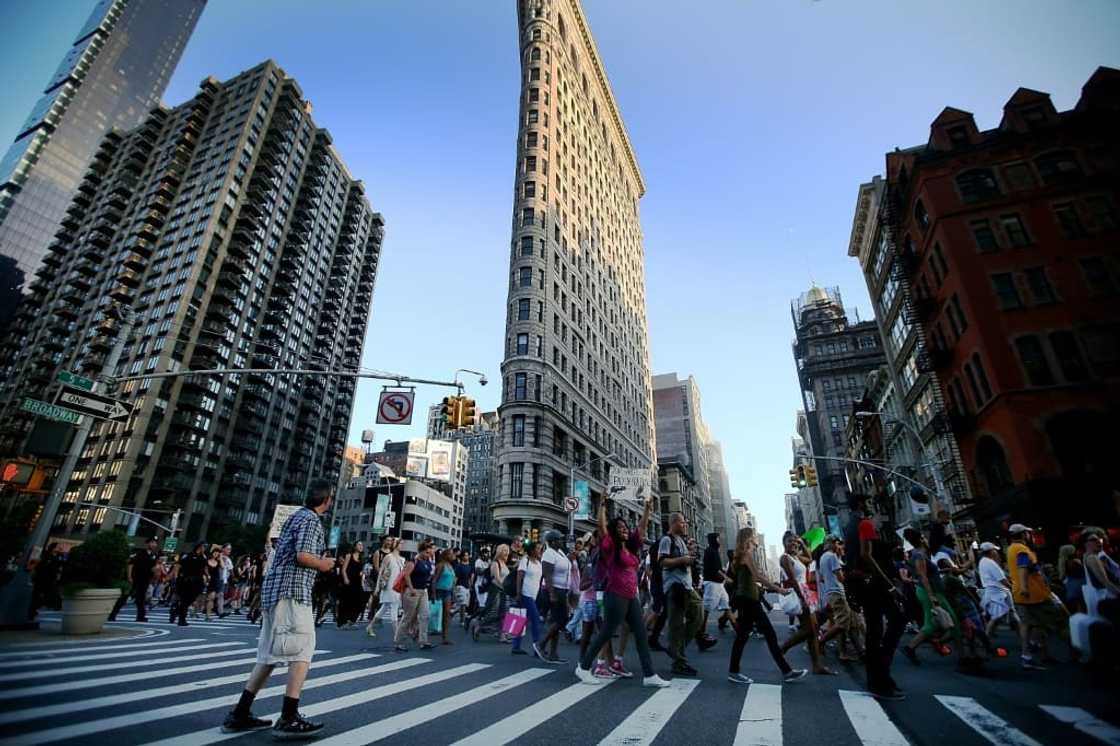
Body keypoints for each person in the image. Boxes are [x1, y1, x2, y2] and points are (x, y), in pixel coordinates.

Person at [221, 479, 335, 736]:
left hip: (276, 593)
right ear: (326, 499)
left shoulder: (297, 517)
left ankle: (239, 713)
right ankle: (288, 716)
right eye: (332, 497)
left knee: (268, 655)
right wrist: (323, 564)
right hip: (292, 592)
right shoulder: (310, 520)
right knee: (303, 649)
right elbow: (303, 556)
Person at [575, 493, 669, 688]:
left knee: (641, 633)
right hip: (614, 595)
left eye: (625, 527)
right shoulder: (610, 547)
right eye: (619, 528)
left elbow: (641, 528)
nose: (624, 530)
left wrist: (647, 508)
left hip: (631, 596)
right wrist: (602, 504)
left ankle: (649, 675)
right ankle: (584, 668)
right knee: (607, 632)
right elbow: (601, 528)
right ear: (614, 532)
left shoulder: (632, 548)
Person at [727, 527, 807, 684]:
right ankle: (786, 671)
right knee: (769, 634)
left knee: (743, 637)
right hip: (749, 601)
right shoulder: (746, 554)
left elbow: (747, 579)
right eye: (755, 536)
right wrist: (779, 589)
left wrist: (762, 588)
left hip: (748, 599)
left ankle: (733, 671)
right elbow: (758, 576)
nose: (757, 538)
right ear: (749, 538)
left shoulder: (741, 555)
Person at [851, 498, 906, 700]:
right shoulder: (864, 524)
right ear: (862, 506)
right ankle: (880, 676)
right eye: (870, 503)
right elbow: (867, 555)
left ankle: (880, 678)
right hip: (875, 585)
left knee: (875, 632)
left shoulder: (854, 525)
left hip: (867, 586)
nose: (874, 506)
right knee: (894, 623)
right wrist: (890, 585)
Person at [1008, 524, 1074, 666]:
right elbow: (1023, 567)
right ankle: (1077, 650)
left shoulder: (1010, 549)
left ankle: (1032, 656)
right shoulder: (1021, 549)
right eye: (1028, 533)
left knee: (1035, 625)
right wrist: (1025, 587)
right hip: (1036, 595)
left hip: (1020, 595)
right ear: (1024, 534)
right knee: (1061, 621)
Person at [659, 512, 712, 677]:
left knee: (698, 615)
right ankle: (679, 662)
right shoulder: (667, 540)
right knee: (676, 626)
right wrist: (682, 560)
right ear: (674, 523)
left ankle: (675, 649)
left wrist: (688, 558)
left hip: (687, 587)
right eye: (682, 523)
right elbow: (662, 562)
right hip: (675, 588)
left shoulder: (681, 540)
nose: (685, 525)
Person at [901, 528, 960, 666]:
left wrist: (943, 571)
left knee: (931, 624)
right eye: (925, 538)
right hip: (930, 593)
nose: (928, 540)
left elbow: (926, 574)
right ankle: (959, 654)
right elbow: (923, 576)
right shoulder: (919, 555)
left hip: (931, 591)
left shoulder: (921, 554)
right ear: (922, 539)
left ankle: (911, 647)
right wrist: (932, 596)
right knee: (952, 621)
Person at [777, 532, 833, 675]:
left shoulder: (796, 557)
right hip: (798, 594)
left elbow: (810, 558)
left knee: (812, 629)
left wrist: (801, 543)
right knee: (810, 629)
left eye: (795, 542)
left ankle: (817, 666)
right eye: (790, 541)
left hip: (805, 592)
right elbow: (792, 580)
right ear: (784, 543)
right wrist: (803, 599)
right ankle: (783, 648)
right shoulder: (785, 558)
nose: (793, 544)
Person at [818, 536, 863, 662]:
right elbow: (840, 577)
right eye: (836, 543)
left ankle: (855, 651)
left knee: (850, 623)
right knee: (842, 624)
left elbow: (822, 578)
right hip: (838, 592)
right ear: (831, 543)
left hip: (831, 592)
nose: (837, 546)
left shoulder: (822, 557)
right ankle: (821, 642)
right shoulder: (832, 556)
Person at [540, 530, 575, 663]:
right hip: (553, 590)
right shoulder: (548, 553)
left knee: (558, 620)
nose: (562, 541)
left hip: (562, 590)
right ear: (553, 541)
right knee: (561, 620)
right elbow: (547, 575)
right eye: (559, 539)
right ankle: (542, 644)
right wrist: (552, 593)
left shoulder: (559, 553)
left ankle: (553, 653)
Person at [510, 540, 548, 660]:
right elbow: (519, 577)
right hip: (525, 593)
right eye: (538, 548)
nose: (540, 551)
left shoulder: (538, 562)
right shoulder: (525, 560)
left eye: (541, 549)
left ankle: (516, 646)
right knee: (536, 620)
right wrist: (518, 593)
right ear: (532, 550)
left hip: (535, 594)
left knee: (522, 620)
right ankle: (538, 648)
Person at [394, 540, 436, 652]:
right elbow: (406, 575)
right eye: (427, 552)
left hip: (423, 591)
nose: (429, 554)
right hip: (412, 591)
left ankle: (423, 641)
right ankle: (399, 642)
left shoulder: (428, 562)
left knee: (425, 616)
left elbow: (430, 575)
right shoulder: (414, 561)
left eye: (430, 552)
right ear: (421, 551)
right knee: (408, 617)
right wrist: (411, 589)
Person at [110, 537, 159, 622]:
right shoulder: (140, 553)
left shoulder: (153, 555)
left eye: (155, 543)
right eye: (152, 542)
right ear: (147, 544)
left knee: (141, 599)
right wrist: (129, 577)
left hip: (145, 580)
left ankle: (140, 616)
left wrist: (155, 576)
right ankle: (112, 615)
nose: (154, 544)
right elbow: (130, 564)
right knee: (124, 597)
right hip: (135, 578)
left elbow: (152, 568)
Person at [368, 537, 404, 637]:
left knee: (384, 608)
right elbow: (381, 572)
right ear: (395, 544)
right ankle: (397, 635)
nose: (402, 546)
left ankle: (370, 626)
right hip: (389, 587)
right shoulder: (388, 557)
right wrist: (377, 588)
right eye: (400, 543)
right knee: (394, 608)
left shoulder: (402, 559)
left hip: (398, 587)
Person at [472, 544, 510, 640]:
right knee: (493, 612)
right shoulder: (495, 563)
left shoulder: (504, 563)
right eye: (504, 550)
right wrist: (504, 586)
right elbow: (496, 578)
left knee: (504, 613)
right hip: (496, 590)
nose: (506, 552)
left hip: (504, 591)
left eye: (507, 550)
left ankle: (502, 635)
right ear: (499, 551)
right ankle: (479, 625)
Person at [702, 533, 734, 636]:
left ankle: (737, 628)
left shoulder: (714, 551)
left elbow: (718, 569)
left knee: (726, 606)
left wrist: (724, 575)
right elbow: (715, 570)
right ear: (714, 540)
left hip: (718, 584)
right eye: (718, 539)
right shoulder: (710, 551)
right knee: (706, 609)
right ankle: (701, 632)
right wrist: (726, 578)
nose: (719, 541)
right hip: (712, 584)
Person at [172, 542, 208, 626]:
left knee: (191, 599)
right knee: (185, 600)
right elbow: (178, 566)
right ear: (199, 547)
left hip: (197, 581)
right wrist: (176, 577)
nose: (205, 548)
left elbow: (205, 568)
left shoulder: (203, 557)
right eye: (204, 546)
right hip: (186, 580)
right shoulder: (188, 556)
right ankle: (182, 619)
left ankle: (176, 610)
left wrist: (207, 576)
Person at [337, 541, 366, 629]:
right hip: (349, 581)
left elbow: (361, 570)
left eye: (362, 545)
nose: (361, 546)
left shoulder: (361, 558)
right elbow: (343, 569)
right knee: (346, 601)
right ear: (355, 546)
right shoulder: (349, 555)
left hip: (357, 581)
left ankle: (351, 620)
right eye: (359, 545)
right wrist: (345, 578)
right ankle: (342, 622)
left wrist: (362, 576)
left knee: (360, 601)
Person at [432, 549, 457, 644]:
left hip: (448, 592)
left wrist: (453, 594)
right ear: (446, 555)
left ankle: (445, 637)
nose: (453, 555)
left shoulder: (450, 566)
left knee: (446, 615)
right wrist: (433, 594)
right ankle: (418, 631)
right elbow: (434, 580)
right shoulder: (441, 565)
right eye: (451, 554)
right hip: (439, 591)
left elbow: (453, 582)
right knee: (434, 613)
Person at [1058, 544, 1086, 614]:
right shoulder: (1075, 561)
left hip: (1071, 584)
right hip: (1080, 583)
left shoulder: (1062, 562)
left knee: (1078, 605)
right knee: (1083, 603)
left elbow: (1062, 576)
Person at [453, 550, 473, 626]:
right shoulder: (459, 566)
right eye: (465, 555)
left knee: (464, 605)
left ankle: (453, 612)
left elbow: (470, 577)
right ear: (462, 557)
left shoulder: (469, 566)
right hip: (460, 586)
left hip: (467, 587)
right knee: (463, 604)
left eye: (467, 555)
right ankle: (462, 621)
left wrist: (471, 586)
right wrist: (454, 587)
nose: (466, 557)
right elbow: (456, 577)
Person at [205, 547, 223, 621]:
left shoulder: (218, 561)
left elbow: (223, 566)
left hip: (216, 581)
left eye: (218, 553)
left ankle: (209, 614)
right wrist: (207, 577)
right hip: (210, 580)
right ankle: (208, 615)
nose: (216, 554)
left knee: (213, 598)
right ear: (212, 553)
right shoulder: (207, 561)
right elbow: (205, 570)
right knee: (210, 598)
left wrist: (221, 557)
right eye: (215, 552)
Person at [218, 544, 234, 617]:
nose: (229, 551)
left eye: (230, 549)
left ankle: (220, 611)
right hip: (216, 579)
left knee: (221, 595)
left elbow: (231, 570)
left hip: (224, 580)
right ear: (223, 549)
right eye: (228, 549)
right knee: (215, 595)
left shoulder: (228, 559)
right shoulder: (218, 556)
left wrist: (232, 577)